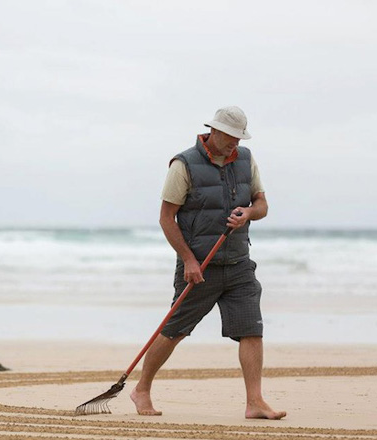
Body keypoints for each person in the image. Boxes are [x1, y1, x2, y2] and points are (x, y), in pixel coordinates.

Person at [130, 106, 286, 420]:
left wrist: (249, 213)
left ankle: (254, 401)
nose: (235, 144)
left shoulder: (246, 159)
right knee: (174, 330)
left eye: (240, 137)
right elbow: (166, 218)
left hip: (239, 263)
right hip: (199, 267)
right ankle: (142, 388)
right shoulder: (183, 164)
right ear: (213, 131)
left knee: (251, 330)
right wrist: (188, 260)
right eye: (231, 137)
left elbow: (262, 204)